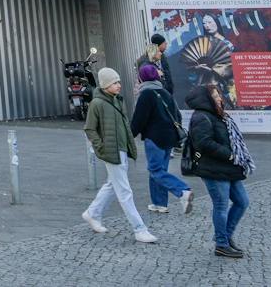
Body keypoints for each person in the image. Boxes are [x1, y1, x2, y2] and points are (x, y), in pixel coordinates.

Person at [82, 66, 156, 243]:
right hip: (111, 152)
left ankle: (92, 213)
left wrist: (129, 145)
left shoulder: (116, 100)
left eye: (118, 82)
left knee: (111, 184)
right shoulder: (97, 103)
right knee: (124, 191)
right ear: (105, 84)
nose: (119, 85)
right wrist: (101, 148)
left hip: (121, 149)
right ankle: (139, 229)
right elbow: (90, 129)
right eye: (114, 82)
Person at [186, 84, 252, 258]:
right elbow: (203, 143)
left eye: (218, 95)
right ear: (206, 99)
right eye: (215, 96)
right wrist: (229, 155)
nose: (219, 98)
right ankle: (222, 244)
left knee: (242, 202)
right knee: (221, 205)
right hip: (213, 169)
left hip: (229, 167)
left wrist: (234, 156)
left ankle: (225, 236)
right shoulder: (201, 117)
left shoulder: (218, 114)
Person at [130, 62, 193, 215]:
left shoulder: (146, 94)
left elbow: (138, 120)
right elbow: (177, 115)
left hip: (154, 138)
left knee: (155, 170)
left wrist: (129, 136)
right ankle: (159, 203)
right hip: (169, 139)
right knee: (160, 170)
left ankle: (182, 191)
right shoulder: (165, 92)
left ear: (142, 78)